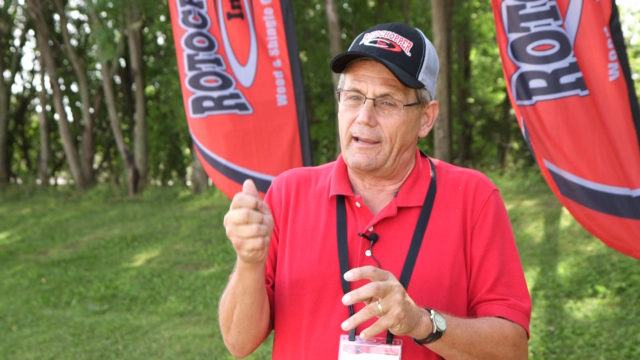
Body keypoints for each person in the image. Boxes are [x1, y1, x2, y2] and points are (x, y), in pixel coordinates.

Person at [219, 22, 531, 359]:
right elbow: (238, 342)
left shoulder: (474, 198)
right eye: (353, 97)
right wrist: (249, 262)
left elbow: (511, 349)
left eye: (387, 102)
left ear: (426, 118)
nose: (364, 118)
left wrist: (420, 322)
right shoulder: (287, 193)